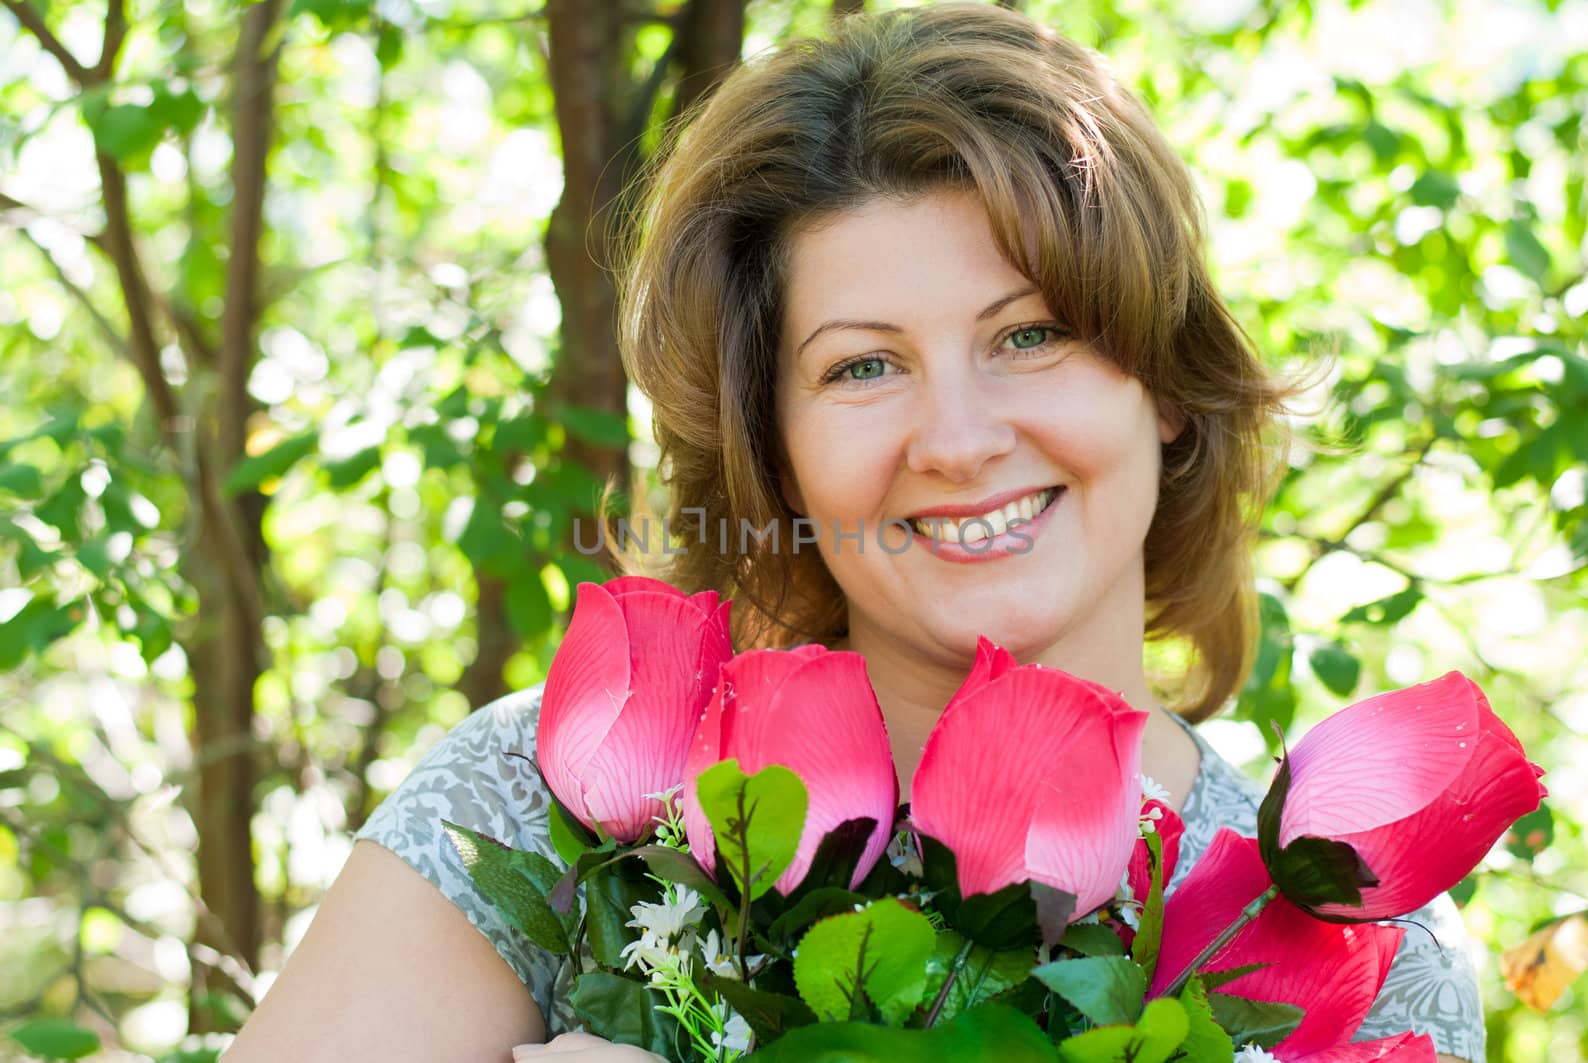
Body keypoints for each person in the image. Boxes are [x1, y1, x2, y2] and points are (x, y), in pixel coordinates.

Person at [224, 4, 1485, 1061]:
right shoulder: (544, 809)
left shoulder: (1354, 946)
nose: (956, 436)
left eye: (1029, 335)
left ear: (1159, 382)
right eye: (862, 368)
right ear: (771, 450)